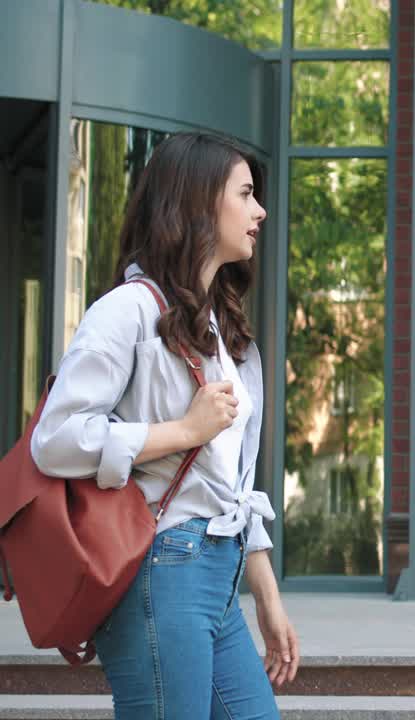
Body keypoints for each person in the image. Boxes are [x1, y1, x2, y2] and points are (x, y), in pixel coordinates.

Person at [31, 132, 298, 719]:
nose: (260, 211)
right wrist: (182, 430)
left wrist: (266, 596)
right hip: (160, 569)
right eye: (246, 194)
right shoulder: (127, 311)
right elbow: (54, 439)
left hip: (218, 575)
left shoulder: (222, 330)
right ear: (200, 202)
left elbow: (228, 483)